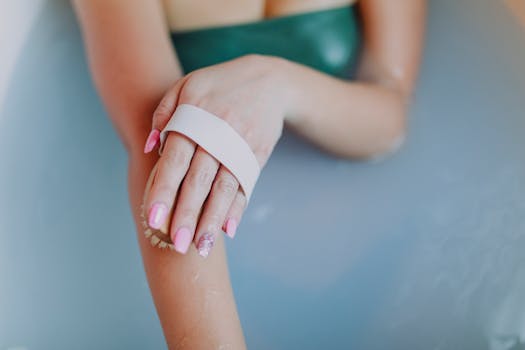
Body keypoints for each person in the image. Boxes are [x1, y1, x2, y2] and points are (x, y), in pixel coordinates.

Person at [72, 0, 426, 348]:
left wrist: (277, 84)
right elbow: (158, 153)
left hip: (357, 243)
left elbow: (391, 112)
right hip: (218, 259)